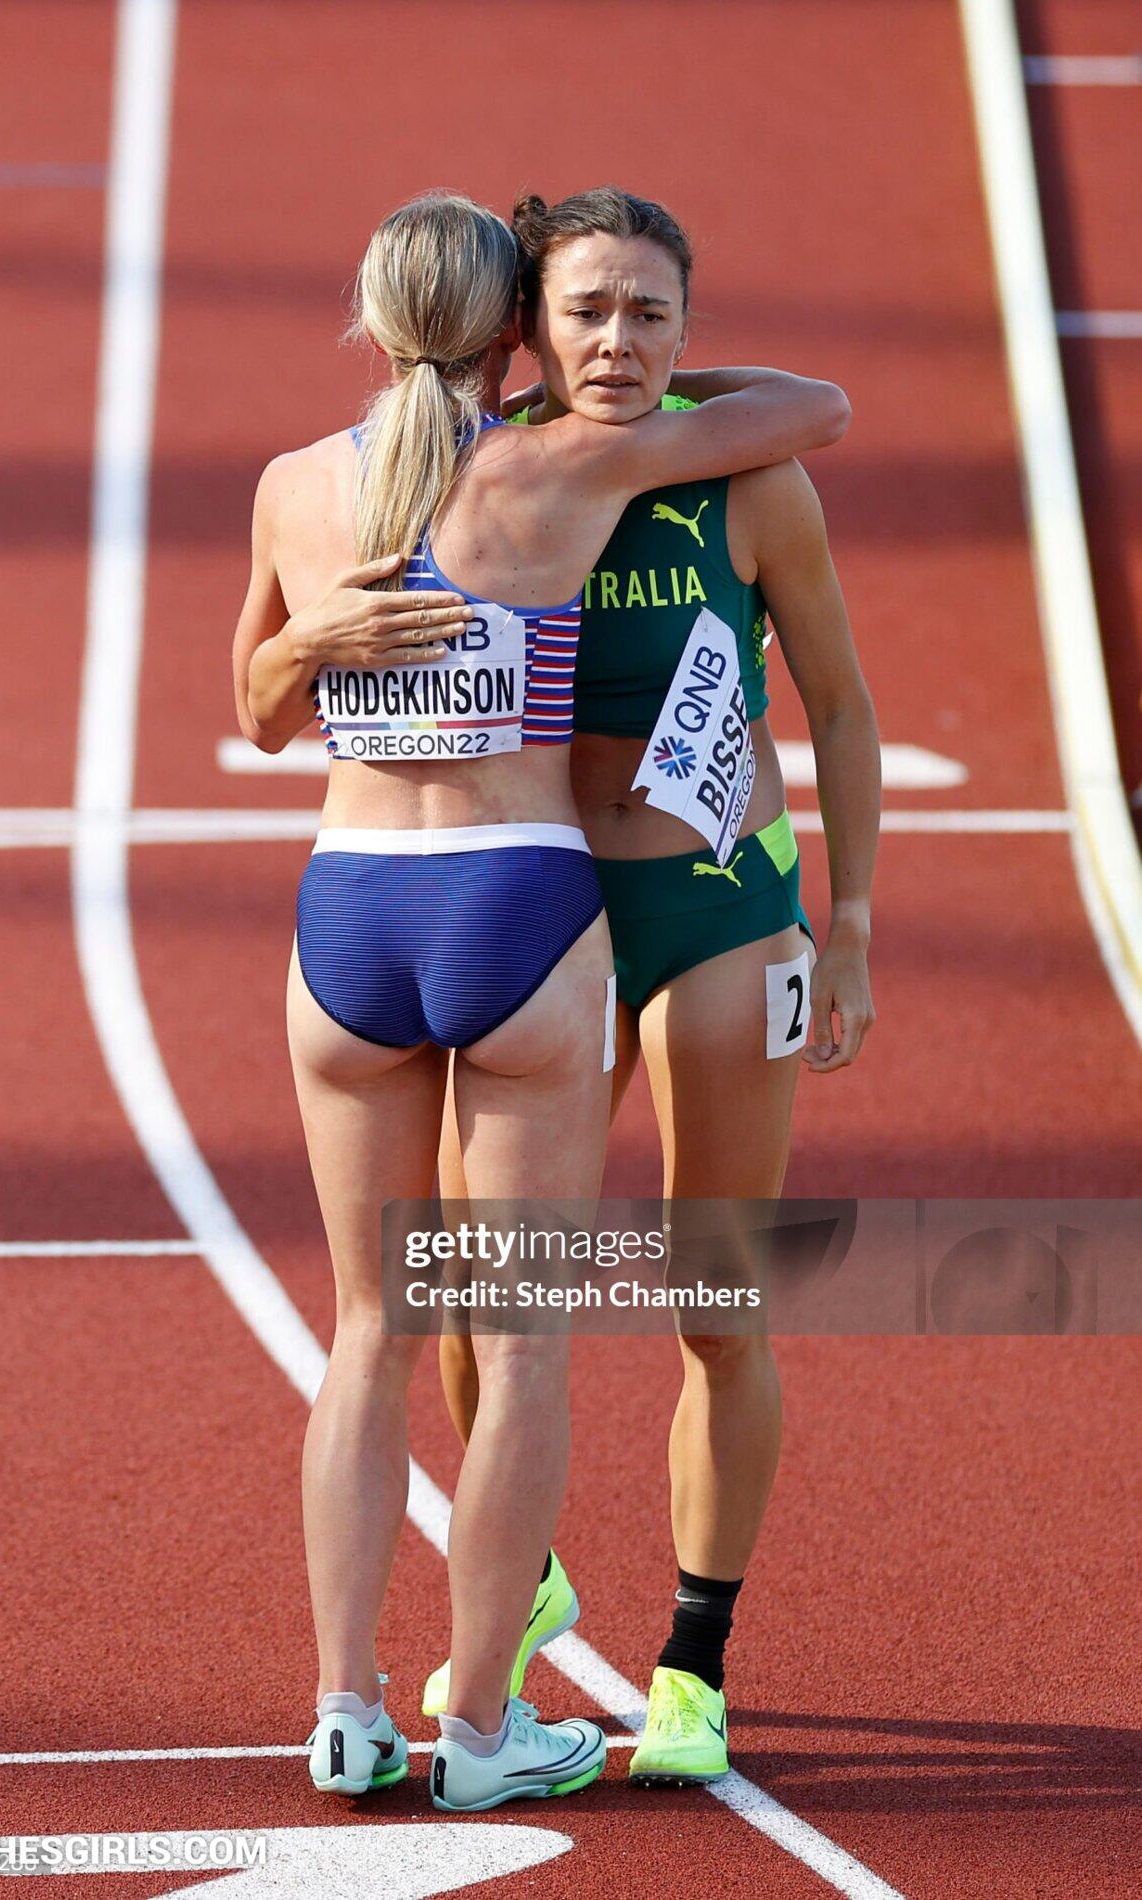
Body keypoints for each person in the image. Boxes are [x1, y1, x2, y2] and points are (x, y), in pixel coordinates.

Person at [232, 190, 849, 1810]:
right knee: (520, 1348)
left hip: (348, 915)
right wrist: (671, 376)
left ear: (369, 319)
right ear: (517, 328)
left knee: (369, 1330)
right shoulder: (566, 466)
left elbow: (256, 708)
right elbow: (819, 410)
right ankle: (488, 1733)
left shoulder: (296, 486)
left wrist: (322, 633)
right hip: (517, 902)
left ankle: (345, 1708)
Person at [428, 188, 880, 1786]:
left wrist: (853, 922)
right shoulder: (489, 475)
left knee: (716, 1302)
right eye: (587, 313)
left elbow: (839, 701)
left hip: (719, 909)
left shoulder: (746, 477)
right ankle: (526, 1575)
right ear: (527, 331)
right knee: (473, 1286)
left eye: (651, 314)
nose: (619, 342)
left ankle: (693, 1658)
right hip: (551, 912)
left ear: (690, 328)